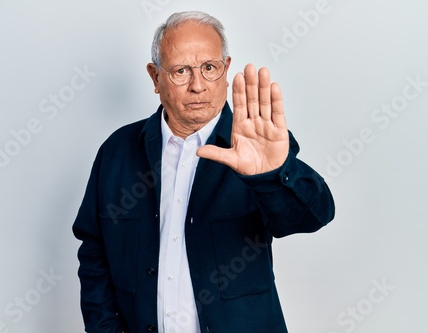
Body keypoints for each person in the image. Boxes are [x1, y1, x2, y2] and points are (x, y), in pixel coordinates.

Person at [73, 11, 335, 333]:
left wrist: (273, 174)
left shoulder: (257, 143)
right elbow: (94, 253)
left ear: (226, 70)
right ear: (155, 78)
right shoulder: (117, 152)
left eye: (209, 68)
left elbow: (312, 217)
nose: (198, 86)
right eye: (181, 71)